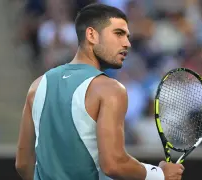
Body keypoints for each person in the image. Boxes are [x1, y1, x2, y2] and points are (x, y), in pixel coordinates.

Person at [15, 3, 184, 180]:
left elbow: (23, 163)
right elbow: (114, 164)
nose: (127, 43)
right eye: (118, 34)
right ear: (91, 35)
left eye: (127, 36)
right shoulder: (110, 89)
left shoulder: (37, 86)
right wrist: (160, 174)